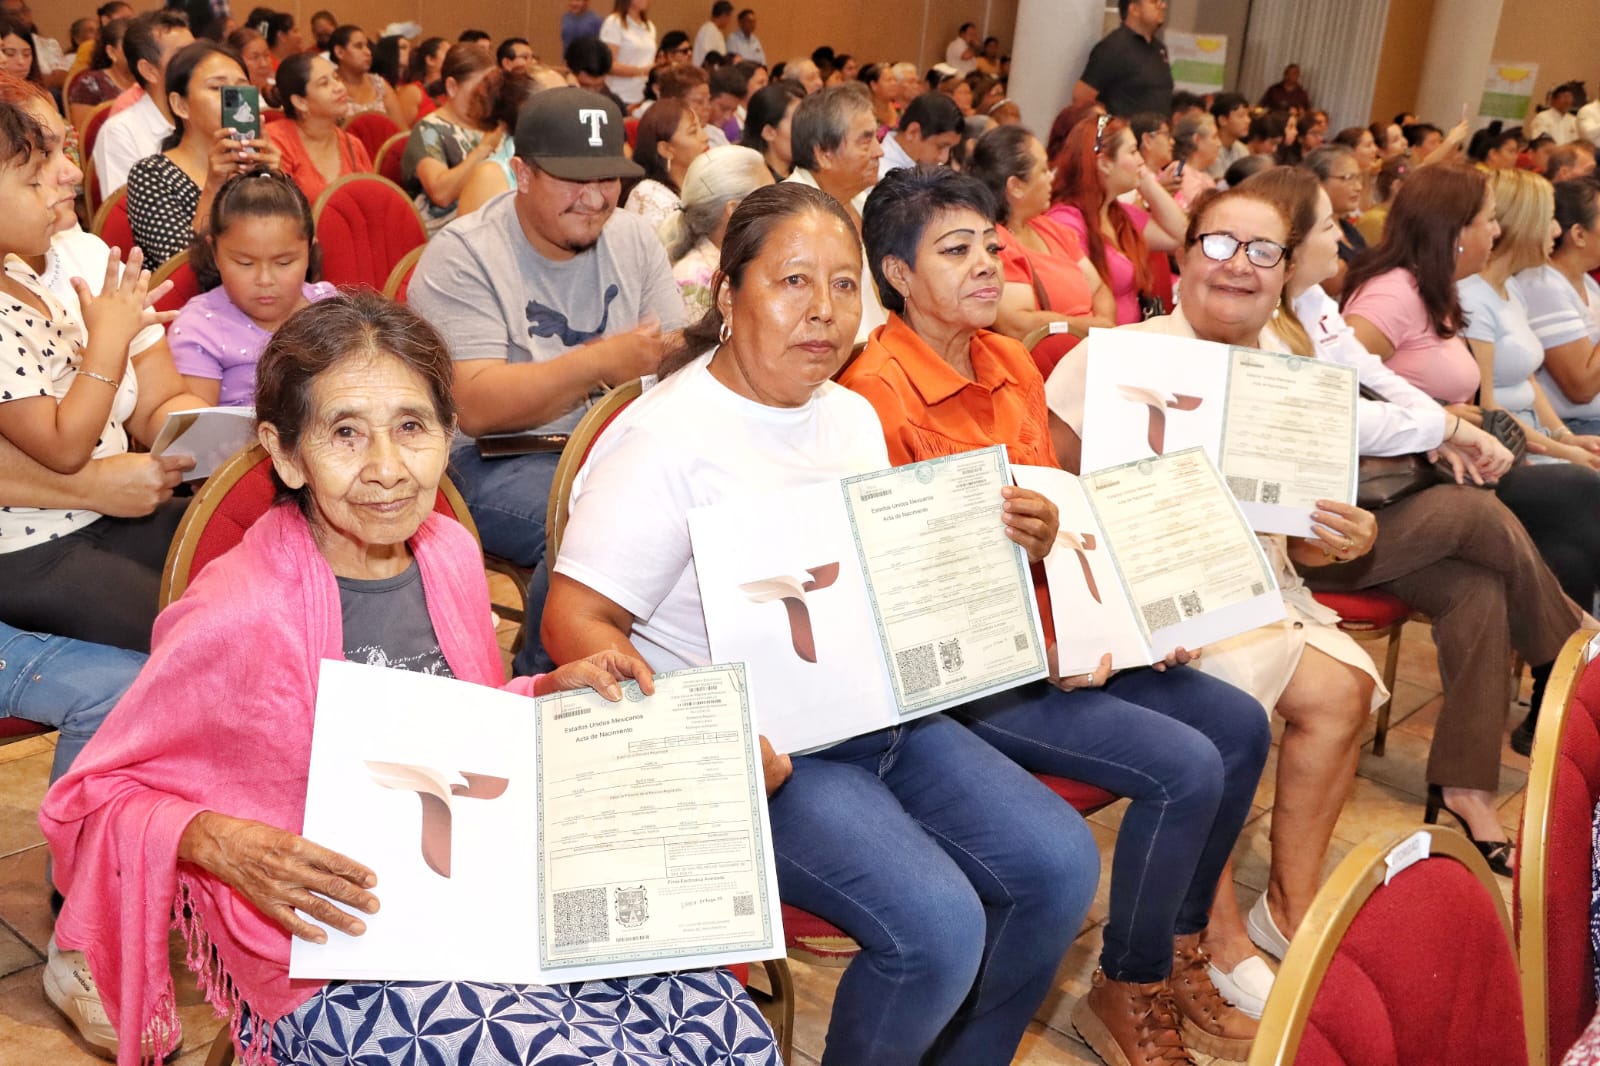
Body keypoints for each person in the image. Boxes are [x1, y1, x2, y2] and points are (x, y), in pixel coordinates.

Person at [39, 292, 784, 1066]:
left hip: (476, 893)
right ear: (286, 454)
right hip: (337, 954)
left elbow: (452, 737)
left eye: (411, 427)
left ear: (447, 434)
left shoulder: (447, 556)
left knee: (728, 1033)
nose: (387, 469)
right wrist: (214, 840)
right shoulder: (239, 612)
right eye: (345, 433)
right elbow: (91, 801)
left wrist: (545, 699)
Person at [540, 180, 1096, 1066]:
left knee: (1060, 865)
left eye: (844, 286)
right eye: (793, 281)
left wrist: (995, 545)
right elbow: (574, 618)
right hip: (765, 750)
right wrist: (707, 733)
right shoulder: (667, 441)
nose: (824, 312)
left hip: (874, 711)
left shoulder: (850, 416)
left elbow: (873, 574)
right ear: (729, 295)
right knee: (938, 927)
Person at [845, 165, 1267, 1063]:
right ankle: (1128, 983)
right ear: (897, 274)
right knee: (1185, 765)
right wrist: (1047, 643)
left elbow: (1063, 520)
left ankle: (1170, 953)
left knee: (1238, 724)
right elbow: (907, 588)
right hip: (973, 671)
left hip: (1056, 632)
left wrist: (1128, 621)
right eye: (954, 250)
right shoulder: (872, 394)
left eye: (989, 244)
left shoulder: (1006, 360)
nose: (986, 264)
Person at [1342, 164, 1596, 809]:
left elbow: (1464, 405)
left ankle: (1466, 790)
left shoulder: (1436, 292)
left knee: (1480, 589)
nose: (1495, 231)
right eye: (1486, 219)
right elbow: (1336, 396)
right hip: (1366, 508)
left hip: (1431, 488)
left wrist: (1459, 425)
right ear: (1454, 230)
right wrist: (1437, 426)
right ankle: (1578, 647)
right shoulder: (1391, 294)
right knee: (1506, 508)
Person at [408, 87, 682, 665]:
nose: (594, 199)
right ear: (523, 174)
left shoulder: (632, 236)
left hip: (613, 447)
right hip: (489, 459)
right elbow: (474, 407)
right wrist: (599, 363)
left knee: (693, 509)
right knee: (593, 528)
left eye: (608, 179)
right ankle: (546, 690)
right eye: (573, 180)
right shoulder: (464, 254)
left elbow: (676, 359)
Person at [0, 94, 208, 653]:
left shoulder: (25, 273)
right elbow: (65, 447)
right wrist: (109, 342)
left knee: (245, 545)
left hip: (100, 516)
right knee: (189, 636)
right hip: (35, 546)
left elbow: (154, 400)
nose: (64, 177)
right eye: (34, 174)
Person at [169, 170, 336, 406]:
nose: (265, 280)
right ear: (215, 252)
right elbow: (197, 427)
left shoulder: (330, 308)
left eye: (284, 262)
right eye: (245, 263)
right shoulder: (199, 329)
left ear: (309, 250)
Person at [965, 125, 1114, 375]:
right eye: (1043, 170)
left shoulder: (1050, 228)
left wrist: (1102, 327)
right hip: (1041, 376)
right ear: (1016, 186)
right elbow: (1017, 325)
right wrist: (1094, 328)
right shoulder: (993, 244)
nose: (1051, 178)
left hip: (1089, 364)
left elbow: (1100, 289)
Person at [125, 41, 281, 271]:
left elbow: (297, 249)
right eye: (218, 88)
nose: (235, 100)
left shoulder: (256, 165)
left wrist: (278, 179)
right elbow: (184, 270)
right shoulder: (151, 175)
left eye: (242, 89)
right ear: (180, 105)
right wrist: (213, 185)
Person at [1046, 113, 1187, 324]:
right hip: (1096, 338)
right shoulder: (1066, 222)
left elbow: (1180, 235)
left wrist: (1146, 181)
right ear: (1104, 163)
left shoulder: (1118, 214)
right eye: (1133, 151)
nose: (1141, 161)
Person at [784, 84, 888, 341]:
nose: (879, 152)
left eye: (876, 139)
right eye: (865, 141)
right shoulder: (788, 218)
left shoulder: (862, 201)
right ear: (823, 154)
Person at [1521, 178, 1600, 437]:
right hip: (1579, 426)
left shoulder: (1585, 280)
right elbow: (1581, 388)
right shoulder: (1542, 284)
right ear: (1579, 235)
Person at [399, 43, 506, 235]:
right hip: (445, 236)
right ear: (452, 87)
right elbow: (441, 193)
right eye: (480, 91)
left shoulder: (493, 125)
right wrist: (484, 148)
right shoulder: (429, 130)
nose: (487, 98)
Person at [661, 143, 772, 316]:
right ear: (734, 210)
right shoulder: (694, 279)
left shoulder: (748, 257)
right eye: (769, 198)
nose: (780, 207)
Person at [91, 10, 192, 200]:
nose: (198, 63)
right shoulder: (121, 133)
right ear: (149, 71)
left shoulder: (205, 117)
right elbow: (125, 210)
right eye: (182, 56)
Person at [266, 53, 373, 204]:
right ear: (300, 102)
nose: (339, 87)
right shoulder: (276, 142)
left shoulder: (354, 146)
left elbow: (371, 202)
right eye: (324, 83)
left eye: (336, 78)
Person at [622, 98, 709, 231]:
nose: (705, 137)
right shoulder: (648, 196)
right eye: (693, 132)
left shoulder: (702, 182)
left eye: (701, 128)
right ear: (666, 149)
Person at [1074, 0, 1171, 118]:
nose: (1163, 6)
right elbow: (1081, 99)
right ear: (1134, 9)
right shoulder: (1113, 47)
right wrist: (1107, 126)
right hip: (1123, 128)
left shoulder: (1160, 49)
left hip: (1158, 128)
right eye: (1154, 1)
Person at [1303, 144, 1365, 296]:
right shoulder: (1309, 230)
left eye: (1359, 178)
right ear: (1318, 182)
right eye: (1348, 178)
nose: (1358, 187)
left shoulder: (1348, 228)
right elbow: (1332, 285)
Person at [326, 25, 404, 128]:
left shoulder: (379, 85)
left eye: (367, 46)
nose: (368, 52)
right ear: (339, 52)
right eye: (359, 46)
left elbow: (401, 130)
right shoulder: (329, 87)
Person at [878, 92, 963, 179]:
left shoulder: (927, 168)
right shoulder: (879, 174)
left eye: (950, 149)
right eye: (940, 146)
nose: (944, 158)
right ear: (913, 132)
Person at [67, 17, 133, 129]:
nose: (139, 52)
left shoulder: (150, 81)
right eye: (130, 47)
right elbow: (85, 133)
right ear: (111, 52)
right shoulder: (90, 84)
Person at [739, 78, 802, 180]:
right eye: (798, 122)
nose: (807, 128)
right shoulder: (750, 182)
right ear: (769, 133)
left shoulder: (809, 173)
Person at [599, 0, 656, 109]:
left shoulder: (649, 26)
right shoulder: (614, 22)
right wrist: (641, 71)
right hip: (619, 95)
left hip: (642, 96)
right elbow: (609, 65)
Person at [1171, 110, 1219, 206]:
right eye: (1214, 137)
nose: (1219, 143)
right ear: (1196, 139)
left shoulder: (1202, 174)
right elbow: (1196, 209)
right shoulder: (1179, 170)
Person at [397, 34, 445, 125]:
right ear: (430, 60)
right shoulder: (413, 92)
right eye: (447, 52)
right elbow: (400, 130)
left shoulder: (450, 93)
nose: (453, 56)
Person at [1206, 92, 1249, 180]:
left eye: (1248, 115)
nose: (1248, 120)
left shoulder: (1242, 149)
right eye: (1241, 116)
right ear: (1223, 120)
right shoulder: (1210, 148)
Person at [693, 0, 733, 66]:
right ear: (723, 15)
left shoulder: (715, 30)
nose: (729, 21)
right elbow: (709, 57)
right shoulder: (708, 30)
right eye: (729, 17)